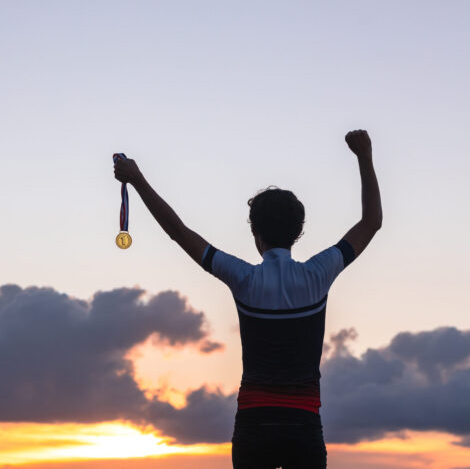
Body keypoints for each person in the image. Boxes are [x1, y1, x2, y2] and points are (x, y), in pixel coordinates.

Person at [113, 129, 382, 469]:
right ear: (298, 232)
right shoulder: (318, 274)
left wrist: (136, 180)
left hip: (254, 425)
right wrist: (364, 156)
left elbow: (178, 232)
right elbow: (371, 222)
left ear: (255, 233)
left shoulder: (244, 278)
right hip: (303, 424)